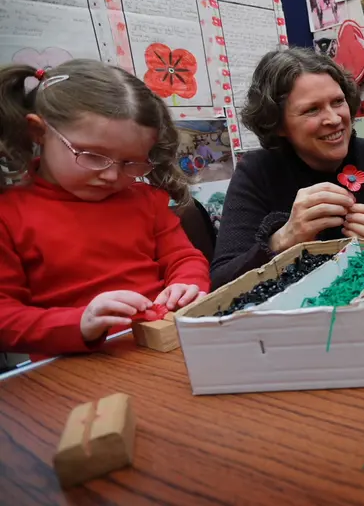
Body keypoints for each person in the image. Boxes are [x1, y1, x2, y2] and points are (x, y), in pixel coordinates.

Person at [0, 60, 210, 357]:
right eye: (92, 155)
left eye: (130, 162)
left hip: (167, 346)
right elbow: (4, 317)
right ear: (38, 131)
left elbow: (184, 257)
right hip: (74, 366)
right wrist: (80, 323)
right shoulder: (9, 214)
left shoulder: (146, 199)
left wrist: (187, 283)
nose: (111, 176)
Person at [211, 48, 364, 288]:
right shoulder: (256, 172)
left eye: (338, 102)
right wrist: (283, 240)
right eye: (312, 109)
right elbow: (221, 281)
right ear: (277, 124)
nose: (334, 119)